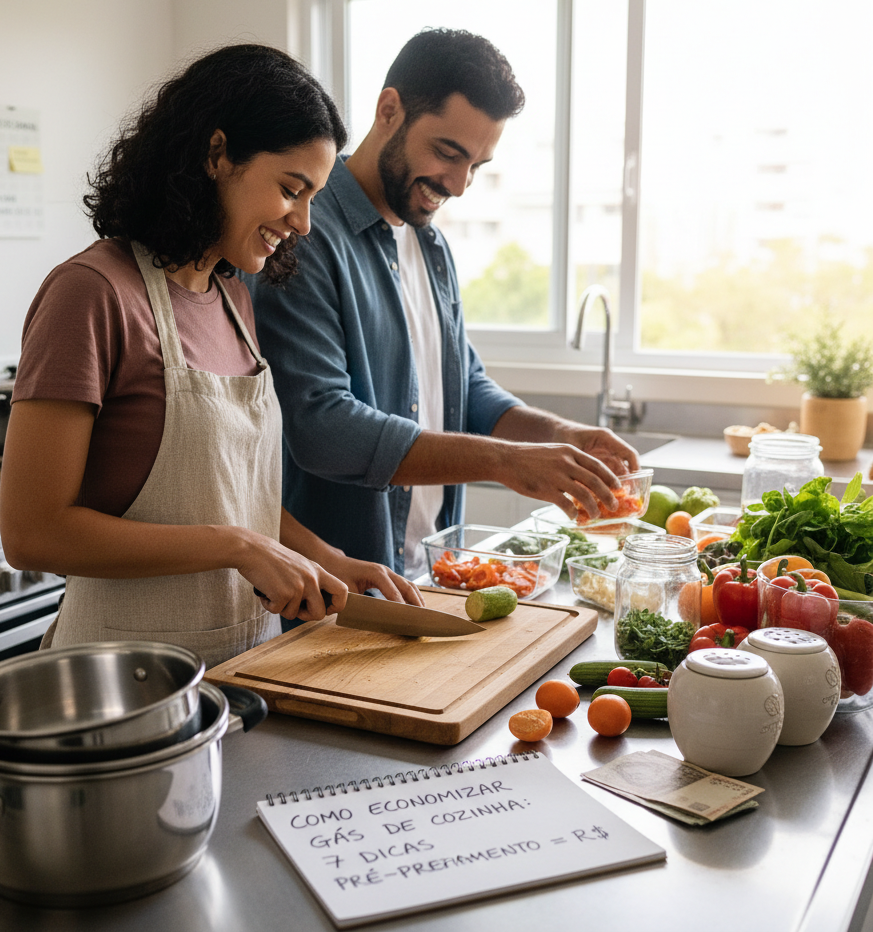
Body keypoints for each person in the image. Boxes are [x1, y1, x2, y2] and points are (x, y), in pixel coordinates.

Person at [0, 44, 422, 668]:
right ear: (217, 154)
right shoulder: (91, 294)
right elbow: (32, 533)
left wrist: (326, 559)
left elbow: (232, 493)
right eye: (292, 189)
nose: (304, 222)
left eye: (313, 196)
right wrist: (238, 547)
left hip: (243, 669)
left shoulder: (233, 299)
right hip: (122, 684)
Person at [248, 29, 639, 579]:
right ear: (389, 110)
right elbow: (322, 429)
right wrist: (505, 462)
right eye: (448, 153)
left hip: (426, 574)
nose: (458, 184)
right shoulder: (305, 237)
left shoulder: (430, 245)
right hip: (333, 590)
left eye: (477, 165)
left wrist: (557, 435)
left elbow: (465, 388)